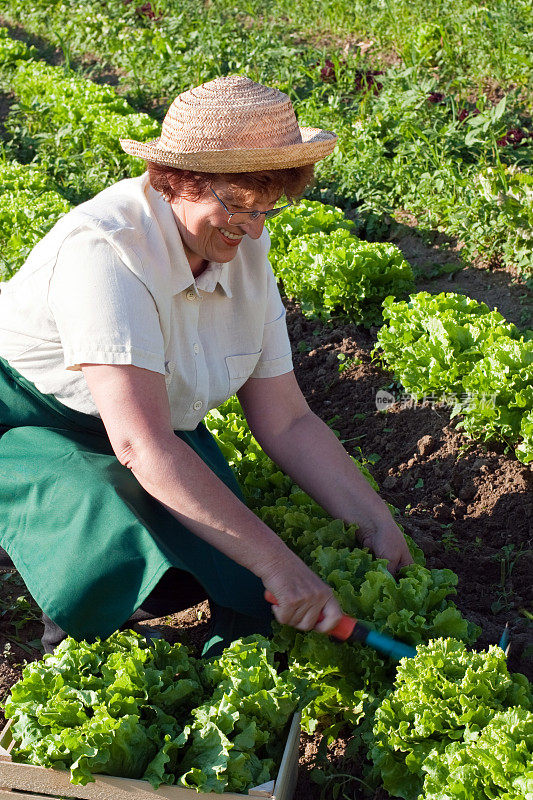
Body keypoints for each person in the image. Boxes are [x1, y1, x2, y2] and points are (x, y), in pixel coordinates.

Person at [0, 75, 413, 657]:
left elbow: (288, 421)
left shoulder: (245, 252)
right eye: (236, 204)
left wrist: (373, 519)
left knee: (227, 558)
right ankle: (77, 638)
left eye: (266, 207)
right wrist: (281, 566)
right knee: (104, 514)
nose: (251, 226)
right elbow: (140, 445)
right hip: (29, 415)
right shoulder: (106, 250)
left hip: (143, 423)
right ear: (179, 181)